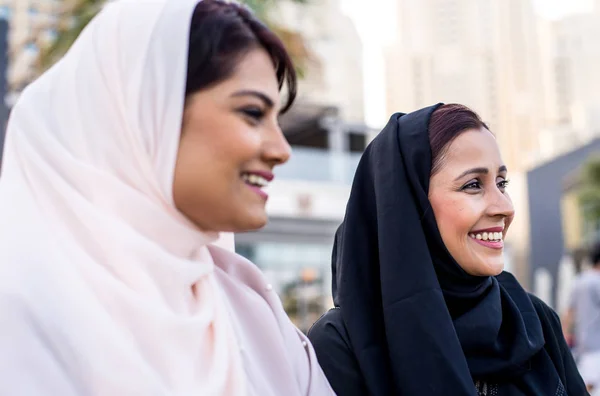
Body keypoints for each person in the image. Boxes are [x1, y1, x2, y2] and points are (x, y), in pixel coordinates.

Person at [0, 0, 334, 394]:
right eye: (251, 113)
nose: (281, 149)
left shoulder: (252, 309)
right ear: (146, 112)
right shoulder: (22, 310)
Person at [308, 104, 588, 395]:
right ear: (410, 206)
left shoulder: (534, 321)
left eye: (501, 183)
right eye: (473, 185)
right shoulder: (344, 343)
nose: (505, 207)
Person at [562, 242, 600, 393]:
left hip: (583, 344)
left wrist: (563, 335)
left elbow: (569, 312)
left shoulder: (579, 280)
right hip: (597, 344)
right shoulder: (597, 282)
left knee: (586, 384)